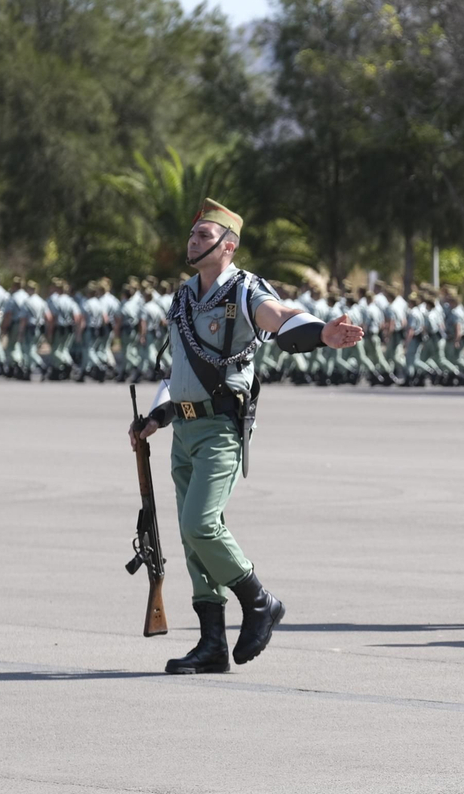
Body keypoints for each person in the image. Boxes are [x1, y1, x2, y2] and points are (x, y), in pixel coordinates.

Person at [128, 199, 364, 674]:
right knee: (192, 539)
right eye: (192, 235)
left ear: (228, 246)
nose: (192, 242)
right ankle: (212, 643)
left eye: (203, 236)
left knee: (201, 524)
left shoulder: (245, 289)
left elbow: (280, 316)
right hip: (184, 428)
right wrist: (156, 416)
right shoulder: (184, 296)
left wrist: (321, 334)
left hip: (220, 428)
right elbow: (179, 367)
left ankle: (259, 601)